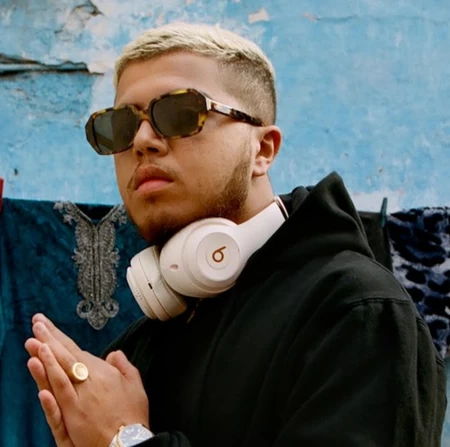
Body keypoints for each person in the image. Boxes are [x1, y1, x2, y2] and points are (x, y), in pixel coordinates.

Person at [25, 22, 446, 447]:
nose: (143, 141)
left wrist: (124, 439)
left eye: (180, 113)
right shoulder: (136, 351)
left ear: (262, 150)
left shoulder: (357, 310)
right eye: (120, 126)